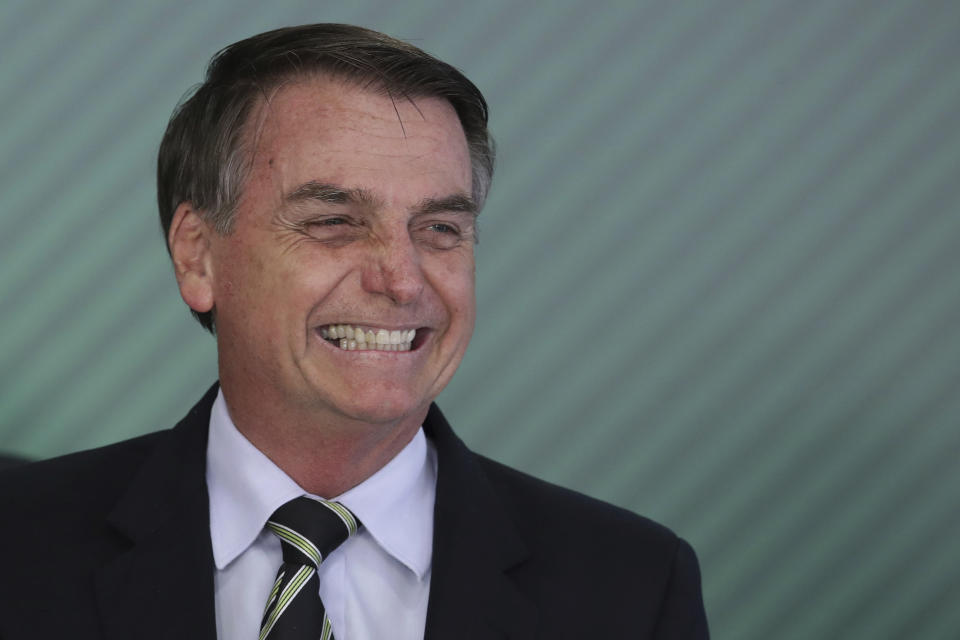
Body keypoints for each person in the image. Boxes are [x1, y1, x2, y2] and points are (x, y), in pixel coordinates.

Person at [0, 24, 709, 639]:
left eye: (440, 229)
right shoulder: (19, 546)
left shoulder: (632, 588)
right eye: (334, 222)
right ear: (198, 254)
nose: (402, 280)